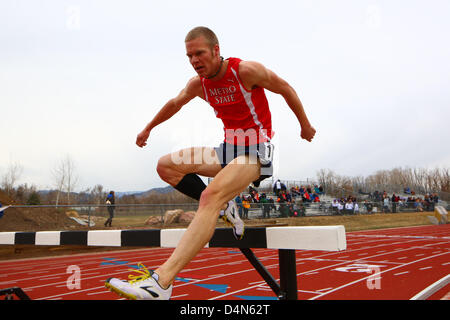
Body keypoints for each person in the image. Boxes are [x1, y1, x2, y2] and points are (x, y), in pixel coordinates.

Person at [105, 26, 315, 300]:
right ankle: (226, 204)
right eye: (189, 56)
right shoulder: (198, 84)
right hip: (228, 150)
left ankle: (161, 283)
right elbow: (174, 103)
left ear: (216, 50)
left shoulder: (246, 71)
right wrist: (148, 128)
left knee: (209, 196)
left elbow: (285, 88)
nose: (194, 61)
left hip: (256, 151)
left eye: (199, 53)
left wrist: (305, 125)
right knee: (166, 165)